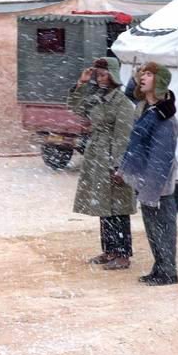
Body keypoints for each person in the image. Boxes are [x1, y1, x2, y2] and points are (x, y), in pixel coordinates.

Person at [67, 57, 137, 270]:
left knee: (118, 207)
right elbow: (75, 108)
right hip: (96, 155)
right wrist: (82, 83)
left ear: (114, 75)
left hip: (111, 156)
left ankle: (123, 254)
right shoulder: (97, 97)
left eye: (103, 74)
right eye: (98, 74)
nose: (100, 78)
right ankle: (109, 250)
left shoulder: (122, 103)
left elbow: (122, 136)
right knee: (104, 205)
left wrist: (118, 165)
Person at [119, 62, 178, 286]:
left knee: (163, 228)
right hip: (146, 181)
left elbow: (160, 159)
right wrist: (137, 74)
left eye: (148, 74)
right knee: (153, 229)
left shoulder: (164, 118)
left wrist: (151, 191)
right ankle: (159, 267)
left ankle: (168, 272)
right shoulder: (148, 108)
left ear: (160, 81)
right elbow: (129, 93)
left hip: (159, 184)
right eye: (142, 74)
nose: (142, 77)